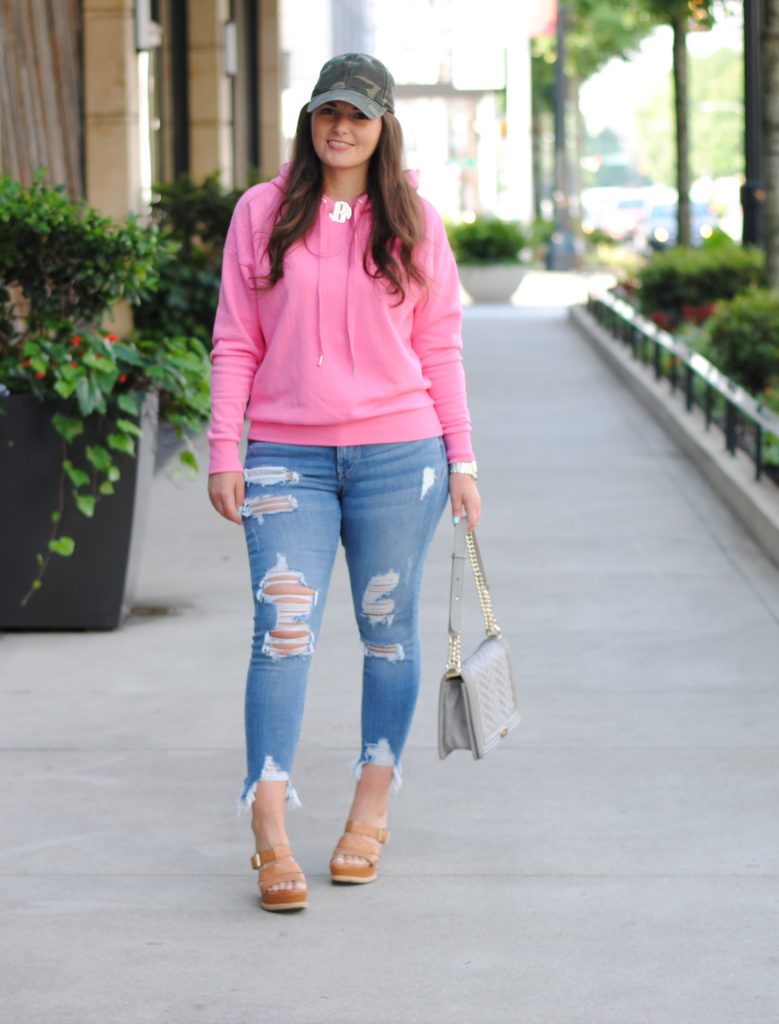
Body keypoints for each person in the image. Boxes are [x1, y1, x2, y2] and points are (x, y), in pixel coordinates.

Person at [207, 52, 480, 912]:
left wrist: (463, 459)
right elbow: (235, 338)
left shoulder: (413, 219)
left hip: (403, 455)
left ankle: (371, 802)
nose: (341, 126)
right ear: (310, 117)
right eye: (328, 109)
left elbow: (439, 345)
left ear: (382, 125)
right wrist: (225, 447)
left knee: (387, 632)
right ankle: (269, 818)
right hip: (287, 455)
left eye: (358, 114)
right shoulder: (262, 211)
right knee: (281, 629)